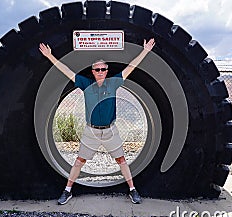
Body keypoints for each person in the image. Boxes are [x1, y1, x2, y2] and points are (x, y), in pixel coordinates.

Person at [39, 38, 156, 205]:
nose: (100, 71)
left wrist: (145, 51)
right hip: (91, 131)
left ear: (107, 71)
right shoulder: (85, 84)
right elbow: (66, 71)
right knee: (79, 161)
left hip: (110, 130)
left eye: (103, 69)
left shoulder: (113, 83)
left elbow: (131, 67)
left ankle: (132, 190)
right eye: (97, 69)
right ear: (93, 71)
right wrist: (50, 56)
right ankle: (67, 191)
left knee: (121, 160)